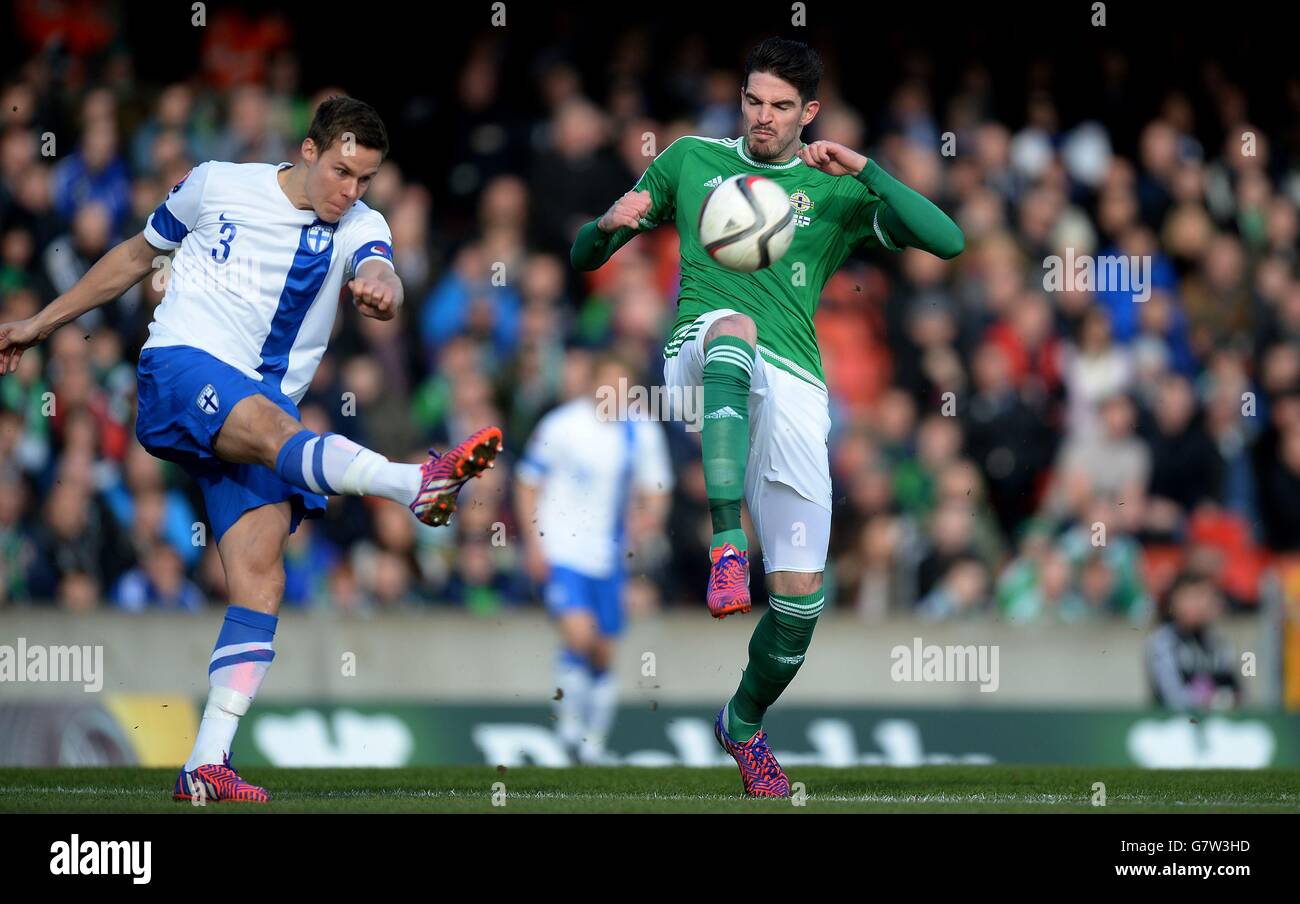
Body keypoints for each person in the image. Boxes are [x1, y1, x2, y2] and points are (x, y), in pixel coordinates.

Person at [0, 96, 503, 803]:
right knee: (277, 429)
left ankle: (206, 762)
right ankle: (412, 483)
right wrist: (40, 323)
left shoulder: (362, 224)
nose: (349, 190)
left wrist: (381, 288)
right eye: (340, 171)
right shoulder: (215, 184)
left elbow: (381, 265)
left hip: (263, 416)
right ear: (306, 150)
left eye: (364, 178)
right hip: (181, 369)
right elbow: (136, 257)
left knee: (261, 579)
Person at [571, 37, 963, 796]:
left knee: (799, 604)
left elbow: (949, 242)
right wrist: (608, 223)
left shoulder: (835, 191)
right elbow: (588, 255)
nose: (763, 117)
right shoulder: (689, 161)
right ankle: (726, 542)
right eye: (754, 100)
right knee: (732, 334)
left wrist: (868, 170)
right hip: (701, 352)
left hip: (796, 387)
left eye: (782, 106)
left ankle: (743, 725)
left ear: (809, 112)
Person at [515, 353, 673, 764]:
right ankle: (568, 730)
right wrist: (534, 541)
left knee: (603, 650)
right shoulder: (563, 425)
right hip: (562, 548)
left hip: (610, 557)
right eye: (608, 384)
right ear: (593, 385)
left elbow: (657, 490)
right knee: (579, 635)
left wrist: (648, 520)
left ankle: (593, 743)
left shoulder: (641, 433)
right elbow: (528, 483)